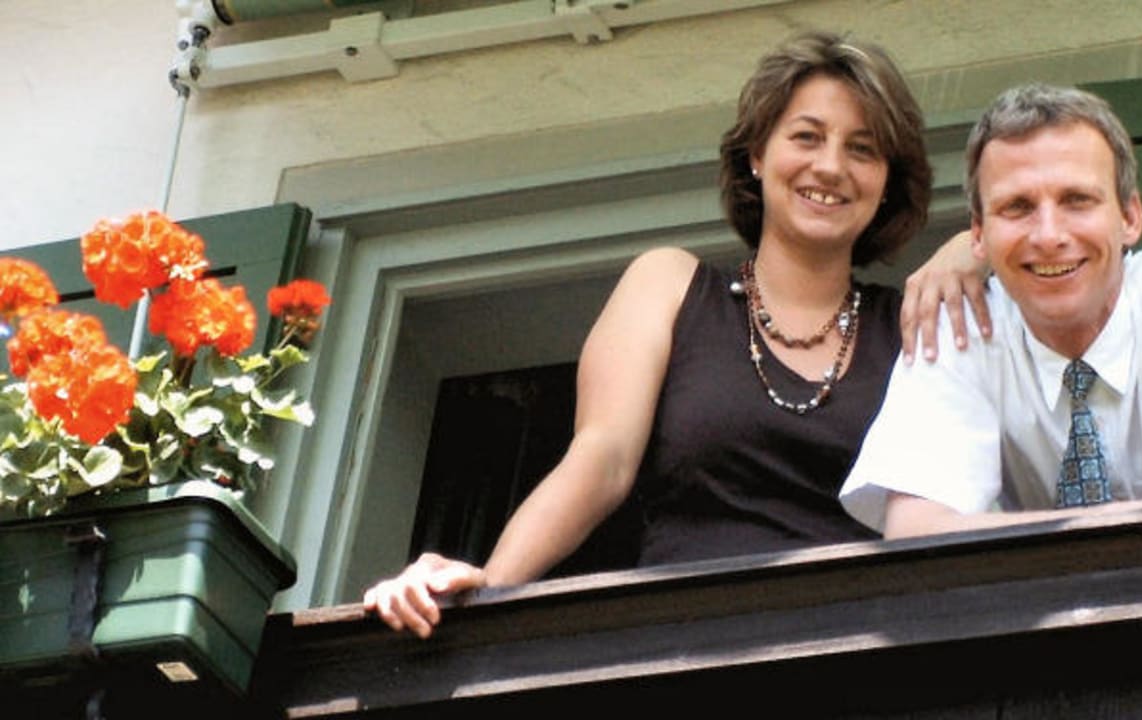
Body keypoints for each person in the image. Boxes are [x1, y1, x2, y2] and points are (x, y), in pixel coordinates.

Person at [364, 28, 957, 638]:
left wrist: (973, 247)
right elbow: (601, 460)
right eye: (806, 136)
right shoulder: (669, 286)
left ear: (887, 181)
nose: (830, 166)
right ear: (757, 154)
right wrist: (490, 584)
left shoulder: (915, 325)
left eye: (862, 149)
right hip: (680, 648)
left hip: (856, 653)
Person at [839, 82, 1142, 539]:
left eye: (1077, 200)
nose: (1048, 235)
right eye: (1017, 207)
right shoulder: (960, 324)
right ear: (978, 235)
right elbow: (916, 531)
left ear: (1130, 217)